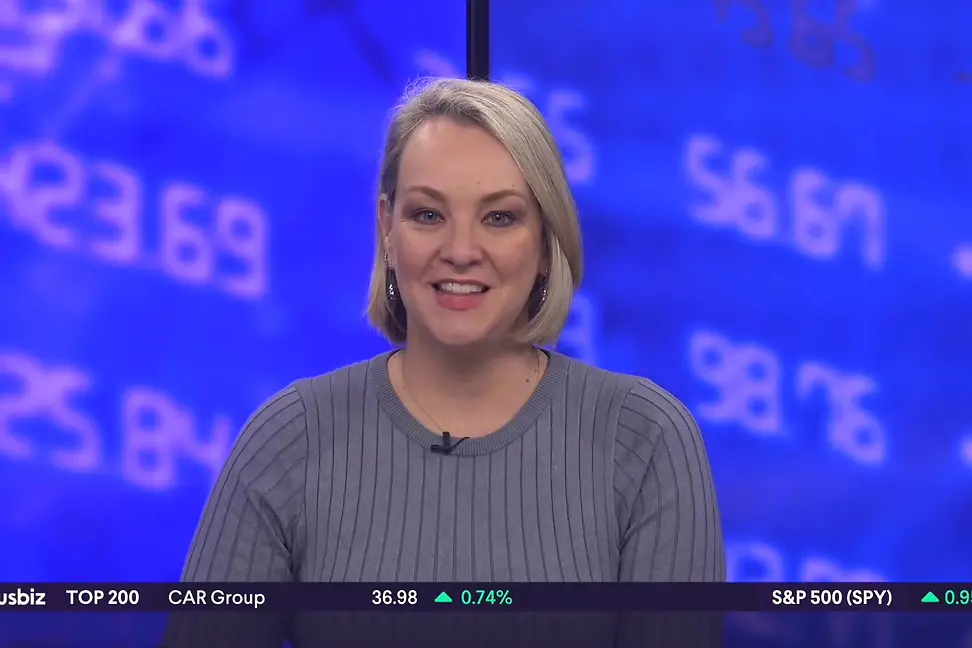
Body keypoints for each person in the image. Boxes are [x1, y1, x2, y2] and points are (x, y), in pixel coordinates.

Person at [164, 78, 725, 648]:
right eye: (429, 215)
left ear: (545, 240)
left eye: (499, 218)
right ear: (387, 229)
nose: (460, 251)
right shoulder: (293, 436)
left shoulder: (644, 439)